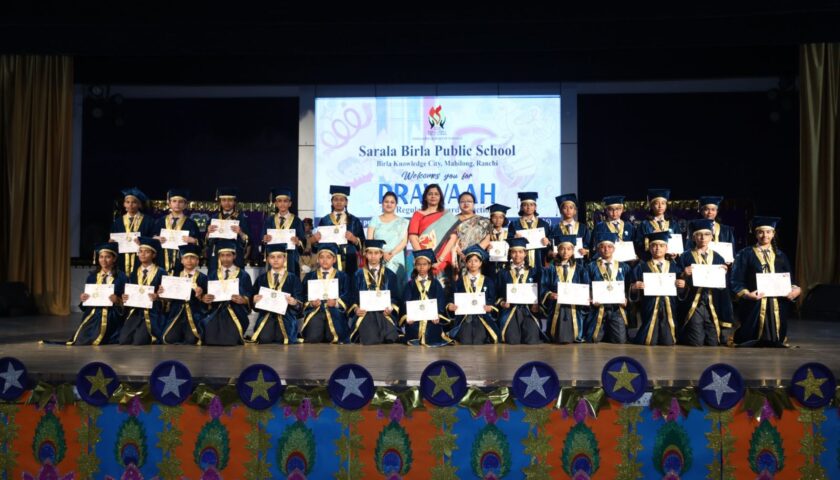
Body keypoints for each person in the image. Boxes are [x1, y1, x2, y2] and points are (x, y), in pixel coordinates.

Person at [731, 217, 801, 347]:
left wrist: (796, 289)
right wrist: (747, 294)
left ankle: (775, 338)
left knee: (776, 338)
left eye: (768, 232)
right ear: (755, 234)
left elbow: (789, 280)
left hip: (777, 302)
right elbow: (736, 279)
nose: (765, 235)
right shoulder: (745, 254)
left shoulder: (781, 255)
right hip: (754, 302)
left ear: (773, 234)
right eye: (761, 232)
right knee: (750, 336)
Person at [678, 219, 734, 346]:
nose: (703, 238)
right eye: (699, 234)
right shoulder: (685, 256)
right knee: (696, 342)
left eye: (707, 234)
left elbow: (723, 286)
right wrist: (683, 274)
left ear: (711, 237)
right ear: (693, 237)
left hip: (712, 301)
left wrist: (723, 274)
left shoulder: (718, 257)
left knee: (713, 342)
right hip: (694, 302)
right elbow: (677, 280)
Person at [629, 232, 686, 346]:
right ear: (649, 248)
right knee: (649, 340)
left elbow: (681, 290)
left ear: (667, 248)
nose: (657, 248)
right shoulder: (641, 267)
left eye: (661, 245)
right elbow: (632, 288)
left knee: (668, 341)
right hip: (650, 305)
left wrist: (682, 285)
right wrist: (634, 287)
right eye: (654, 245)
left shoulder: (675, 266)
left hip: (669, 305)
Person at [68, 242, 128, 345]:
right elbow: (86, 303)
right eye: (101, 257)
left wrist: (118, 300)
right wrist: (84, 298)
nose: (103, 260)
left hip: (113, 314)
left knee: (105, 337)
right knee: (81, 338)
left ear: (114, 259)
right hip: (94, 313)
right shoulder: (92, 277)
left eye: (107, 257)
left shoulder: (122, 277)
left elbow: (128, 300)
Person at [201, 239, 253, 346]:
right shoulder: (212, 274)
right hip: (216, 311)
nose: (225, 258)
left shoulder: (244, 275)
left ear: (234, 256)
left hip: (236, 312)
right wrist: (205, 298)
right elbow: (206, 295)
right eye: (222, 255)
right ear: (219, 257)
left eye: (228, 255)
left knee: (230, 340)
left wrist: (244, 300)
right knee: (209, 339)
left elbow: (249, 295)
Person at [349, 240, 401, 344]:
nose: (373, 256)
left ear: (381, 255)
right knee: (371, 339)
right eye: (370, 253)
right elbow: (352, 297)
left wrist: (390, 308)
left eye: (376, 253)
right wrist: (356, 309)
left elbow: (395, 297)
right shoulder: (357, 275)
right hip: (365, 313)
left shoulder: (390, 275)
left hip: (384, 313)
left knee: (391, 337)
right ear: (365, 254)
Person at [540, 235, 590, 344]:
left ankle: (577, 335)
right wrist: (549, 294)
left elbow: (586, 286)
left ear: (573, 251)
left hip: (575, 305)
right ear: (557, 250)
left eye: (568, 249)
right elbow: (544, 286)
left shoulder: (581, 269)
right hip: (556, 304)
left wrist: (586, 297)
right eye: (562, 249)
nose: (565, 252)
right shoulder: (550, 269)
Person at [250, 243, 302, 344]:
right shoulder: (261, 279)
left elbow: (300, 302)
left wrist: (294, 302)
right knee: (264, 339)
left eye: (279, 257)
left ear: (285, 258)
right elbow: (254, 305)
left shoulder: (293, 279)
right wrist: (254, 300)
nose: (276, 260)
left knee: (283, 338)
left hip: (286, 317)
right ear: (268, 259)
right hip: (266, 316)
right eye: (272, 257)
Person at [446, 245, 499, 344]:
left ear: (480, 263)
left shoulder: (488, 281)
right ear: (466, 263)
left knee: (478, 340)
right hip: (464, 317)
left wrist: (490, 307)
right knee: (465, 341)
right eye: (470, 261)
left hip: (482, 317)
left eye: (476, 261)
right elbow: (451, 298)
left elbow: (492, 299)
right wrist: (450, 306)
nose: (473, 264)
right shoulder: (459, 282)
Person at [299, 243, 351, 344]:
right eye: (321, 257)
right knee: (312, 338)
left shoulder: (343, 276)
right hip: (315, 310)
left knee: (333, 337)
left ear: (334, 260)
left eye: (328, 257)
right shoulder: (310, 276)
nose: (325, 260)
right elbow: (303, 295)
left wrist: (336, 303)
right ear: (318, 259)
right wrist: (311, 303)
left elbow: (347, 295)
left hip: (335, 311)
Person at [497, 237, 545, 344]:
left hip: (528, 310)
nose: (517, 255)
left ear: (525, 253)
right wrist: (502, 302)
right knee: (512, 340)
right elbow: (498, 293)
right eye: (514, 252)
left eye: (520, 252)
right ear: (510, 254)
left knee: (531, 339)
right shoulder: (503, 273)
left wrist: (536, 304)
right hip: (511, 310)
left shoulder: (534, 272)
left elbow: (540, 291)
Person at [585, 232, 631, 343]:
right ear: (598, 249)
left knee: (620, 340)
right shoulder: (591, 266)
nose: (606, 249)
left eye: (609, 246)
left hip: (617, 308)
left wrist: (626, 299)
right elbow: (587, 285)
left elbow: (628, 286)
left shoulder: (624, 267)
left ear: (614, 249)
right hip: (598, 308)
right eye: (602, 247)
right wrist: (591, 298)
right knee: (594, 339)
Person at [407, 184, 459, 282]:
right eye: (430, 194)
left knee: (444, 289)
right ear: (425, 197)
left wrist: (440, 259)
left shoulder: (446, 215)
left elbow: (453, 238)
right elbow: (413, 237)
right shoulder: (418, 214)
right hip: (423, 262)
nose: (433, 196)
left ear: (440, 197)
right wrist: (423, 258)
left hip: (443, 261)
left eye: (436, 194)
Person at [312, 185, 365, 278]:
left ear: (346, 202)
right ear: (332, 202)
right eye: (336, 199)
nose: (339, 202)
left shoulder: (354, 220)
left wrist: (354, 239)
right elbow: (318, 246)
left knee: (349, 282)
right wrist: (315, 240)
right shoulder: (325, 220)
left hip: (350, 258)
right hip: (330, 259)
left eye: (342, 200)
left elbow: (363, 243)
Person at [119, 237, 165, 345]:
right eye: (140, 251)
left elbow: (166, 296)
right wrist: (125, 297)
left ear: (154, 255)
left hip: (153, 311)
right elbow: (129, 293)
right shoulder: (133, 273)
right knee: (123, 340)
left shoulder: (161, 272)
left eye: (147, 252)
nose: (143, 254)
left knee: (138, 341)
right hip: (136, 311)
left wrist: (158, 296)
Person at [159, 244, 207, 345]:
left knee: (192, 340)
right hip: (177, 312)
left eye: (193, 258)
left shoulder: (203, 278)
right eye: (186, 258)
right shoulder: (174, 277)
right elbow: (168, 299)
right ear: (181, 261)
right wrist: (162, 293)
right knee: (168, 338)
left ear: (197, 261)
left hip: (194, 313)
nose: (189, 260)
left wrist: (201, 295)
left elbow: (206, 300)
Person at [402, 249, 451, 346]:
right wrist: (408, 316)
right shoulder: (410, 285)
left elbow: (441, 301)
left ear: (429, 266)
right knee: (413, 330)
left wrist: (438, 315)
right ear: (415, 266)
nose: (421, 267)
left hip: (431, 320)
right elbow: (405, 302)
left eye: (424, 264)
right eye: (419, 264)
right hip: (415, 320)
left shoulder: (436, 284)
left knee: (432, 330)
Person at [366, 191, 409, 295]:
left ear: (396, 205)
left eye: (392, 202)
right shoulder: (375, 220)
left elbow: (404, 242)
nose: (389, 204)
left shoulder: (403, 222)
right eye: (386, 202)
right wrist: (382, 254)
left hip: (396, 260)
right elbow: (370, 241)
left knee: (397, 292)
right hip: (377, 259)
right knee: (379, 291)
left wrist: (391, 253)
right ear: (382, 203)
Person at [262, 187, 306, 278]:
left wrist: (298, 242)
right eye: (279, 201)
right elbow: (262, 238)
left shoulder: (297, 221)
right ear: (276, 203)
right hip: (274, 258)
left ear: (290, 204)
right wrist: (265, 239)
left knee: (291, 281)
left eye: (285, 201)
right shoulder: (269, 220)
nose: (282, 204)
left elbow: (303, 241)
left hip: (291, 259)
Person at [154, 188, 201, 275]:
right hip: (162, 261)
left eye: (180, 201)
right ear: (169, 203)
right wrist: (155, 238)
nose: (177, 204)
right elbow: (151, 240)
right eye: (174, 201)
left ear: (185, 204)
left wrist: (194, 241)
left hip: (182, 264)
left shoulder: (191, 223)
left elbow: (201, 244)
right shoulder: (160, 222)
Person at [109, 188, 155, 274]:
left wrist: (143, 241)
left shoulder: (148, 221)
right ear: (124, 204)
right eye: (127, 202)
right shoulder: (118, 222)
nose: (130, 205)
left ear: (139, 204)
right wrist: (111, 243)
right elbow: (113, 243)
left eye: (134, 202)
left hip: (141, 258)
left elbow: (153, 241)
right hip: (122, 259)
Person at [205, 187, 250, 275]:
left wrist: (240, 233)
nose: (227, 203)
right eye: (224, 200)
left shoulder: (242, 218)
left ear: (235, 202)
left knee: (235, 279)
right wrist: (208, 233)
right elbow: (207, 242)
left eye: (230, 200)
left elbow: (248, 241)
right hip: (216, 255)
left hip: (235, 255)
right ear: (220, 202)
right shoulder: (214, 218)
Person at [450, 191, 492, 276]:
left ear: (474, 204)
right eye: (462, 201)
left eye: (469, 201)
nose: (466, 204)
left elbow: (488, 239)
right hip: (460, 258)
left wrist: (475, 253)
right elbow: (451, 242)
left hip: (479, 258)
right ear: (459, 204)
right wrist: (461, 254)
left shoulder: (484, 221)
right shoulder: (452, 221)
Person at [635, 188, 683, 261]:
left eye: (663, 203)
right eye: (657, 203)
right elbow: (638, 243)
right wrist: (651, 238)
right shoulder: (644, 224)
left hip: (669, 261)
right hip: (651, 260)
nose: (660, 206)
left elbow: (678, 242)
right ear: (651, 205)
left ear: (666, 205)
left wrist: (676, 253)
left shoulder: (673, 223)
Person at [508, 192, 551, 269]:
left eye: (531, 205)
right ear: (521, 207)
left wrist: (548, 242)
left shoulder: (544, 224)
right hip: (520, 264)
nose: (528, 207)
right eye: (525, 205)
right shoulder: (514, 224)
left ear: (535, 207)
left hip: (539, 262)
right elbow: (508, 243)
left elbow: (550, 246)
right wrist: (514, 238)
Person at [590, 195, 636, 261]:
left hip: (627, 261)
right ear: (606, 210)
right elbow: (594, 247)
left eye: (617, 209)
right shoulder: (600, 227)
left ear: (622, 209)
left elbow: (635, 245)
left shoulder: (629, 226)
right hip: (607, 262)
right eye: (611, 209)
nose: (614, 212)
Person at [550, 194, 591, 260]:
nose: (568, 210)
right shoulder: (554, 228)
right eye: (565, 208)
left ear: (575, 211)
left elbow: (589, 245)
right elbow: (550, 247)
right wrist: (551, 253)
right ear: (560, 211)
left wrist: (586, 251)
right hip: (560, 262)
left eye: (571, 208)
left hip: (579, 262)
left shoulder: (583, 228)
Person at [483, 203, 511, 277]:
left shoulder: (509, 234)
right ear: (491, 219)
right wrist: (486, 250)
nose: (498, 220)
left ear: (504, 219)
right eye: (495, 217)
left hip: (505, 268)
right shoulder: (485, 235)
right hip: (489, 268)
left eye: (501, 217)